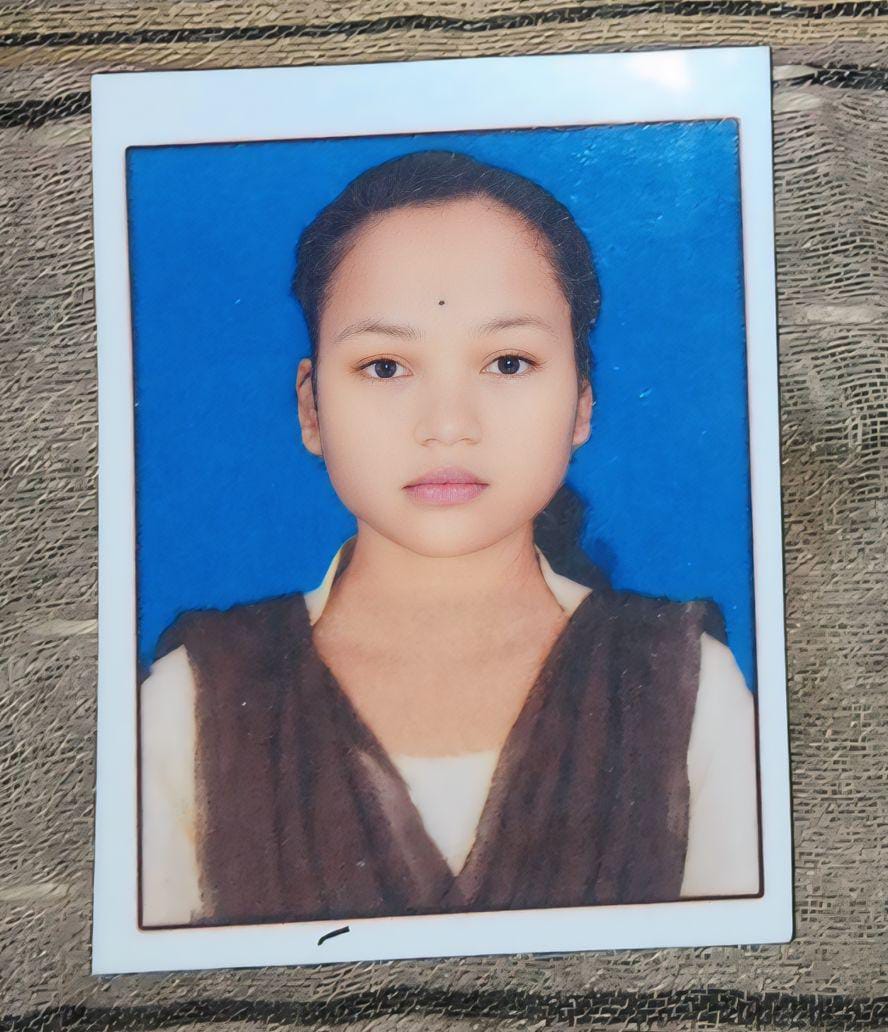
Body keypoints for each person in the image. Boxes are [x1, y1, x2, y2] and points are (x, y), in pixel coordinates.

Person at [138, 150, 759, 929]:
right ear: (311, 407)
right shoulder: (188, 701)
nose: (447, 426)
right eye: (385, 366)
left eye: (508, 362)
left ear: (582, 401)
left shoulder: (690, 687)